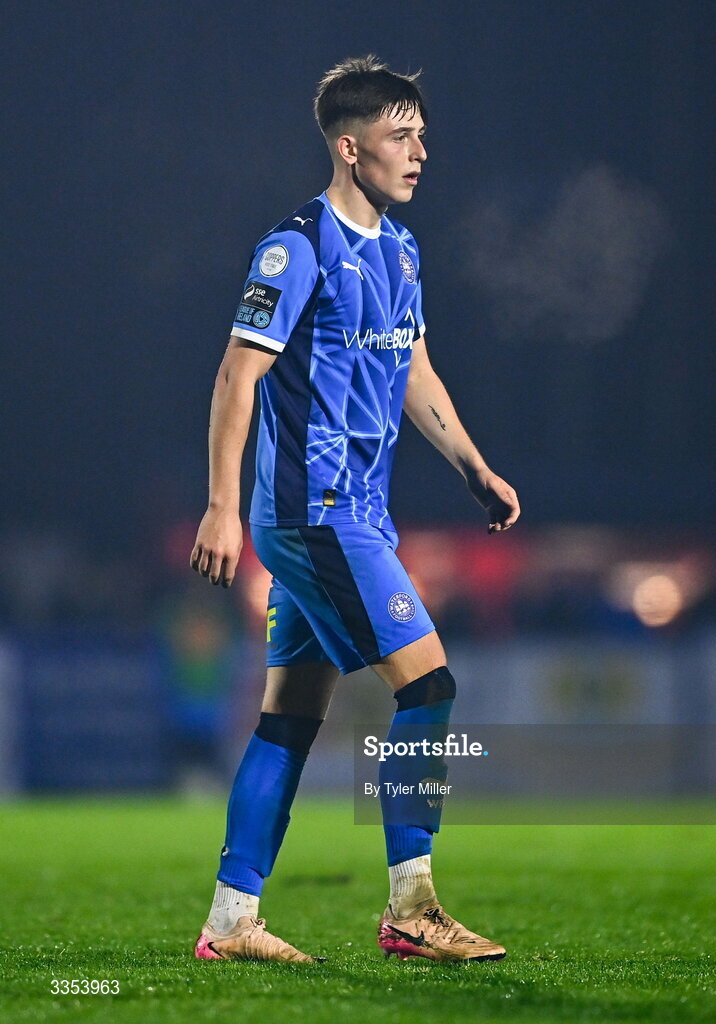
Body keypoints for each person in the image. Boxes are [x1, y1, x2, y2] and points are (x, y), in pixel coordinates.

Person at [190, 55, 520, 964]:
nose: (420, 151)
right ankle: (412, 908)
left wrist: (473, 468)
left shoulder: (400, 250)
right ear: (350, 145)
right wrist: (221, 508)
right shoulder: (294, 248)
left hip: (355, 514)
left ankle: (231, 921)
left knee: (289, 717)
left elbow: (413, 371)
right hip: (313, 513)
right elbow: (236, 376)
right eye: (400, 135)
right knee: (430, 684)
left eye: (421, 133)